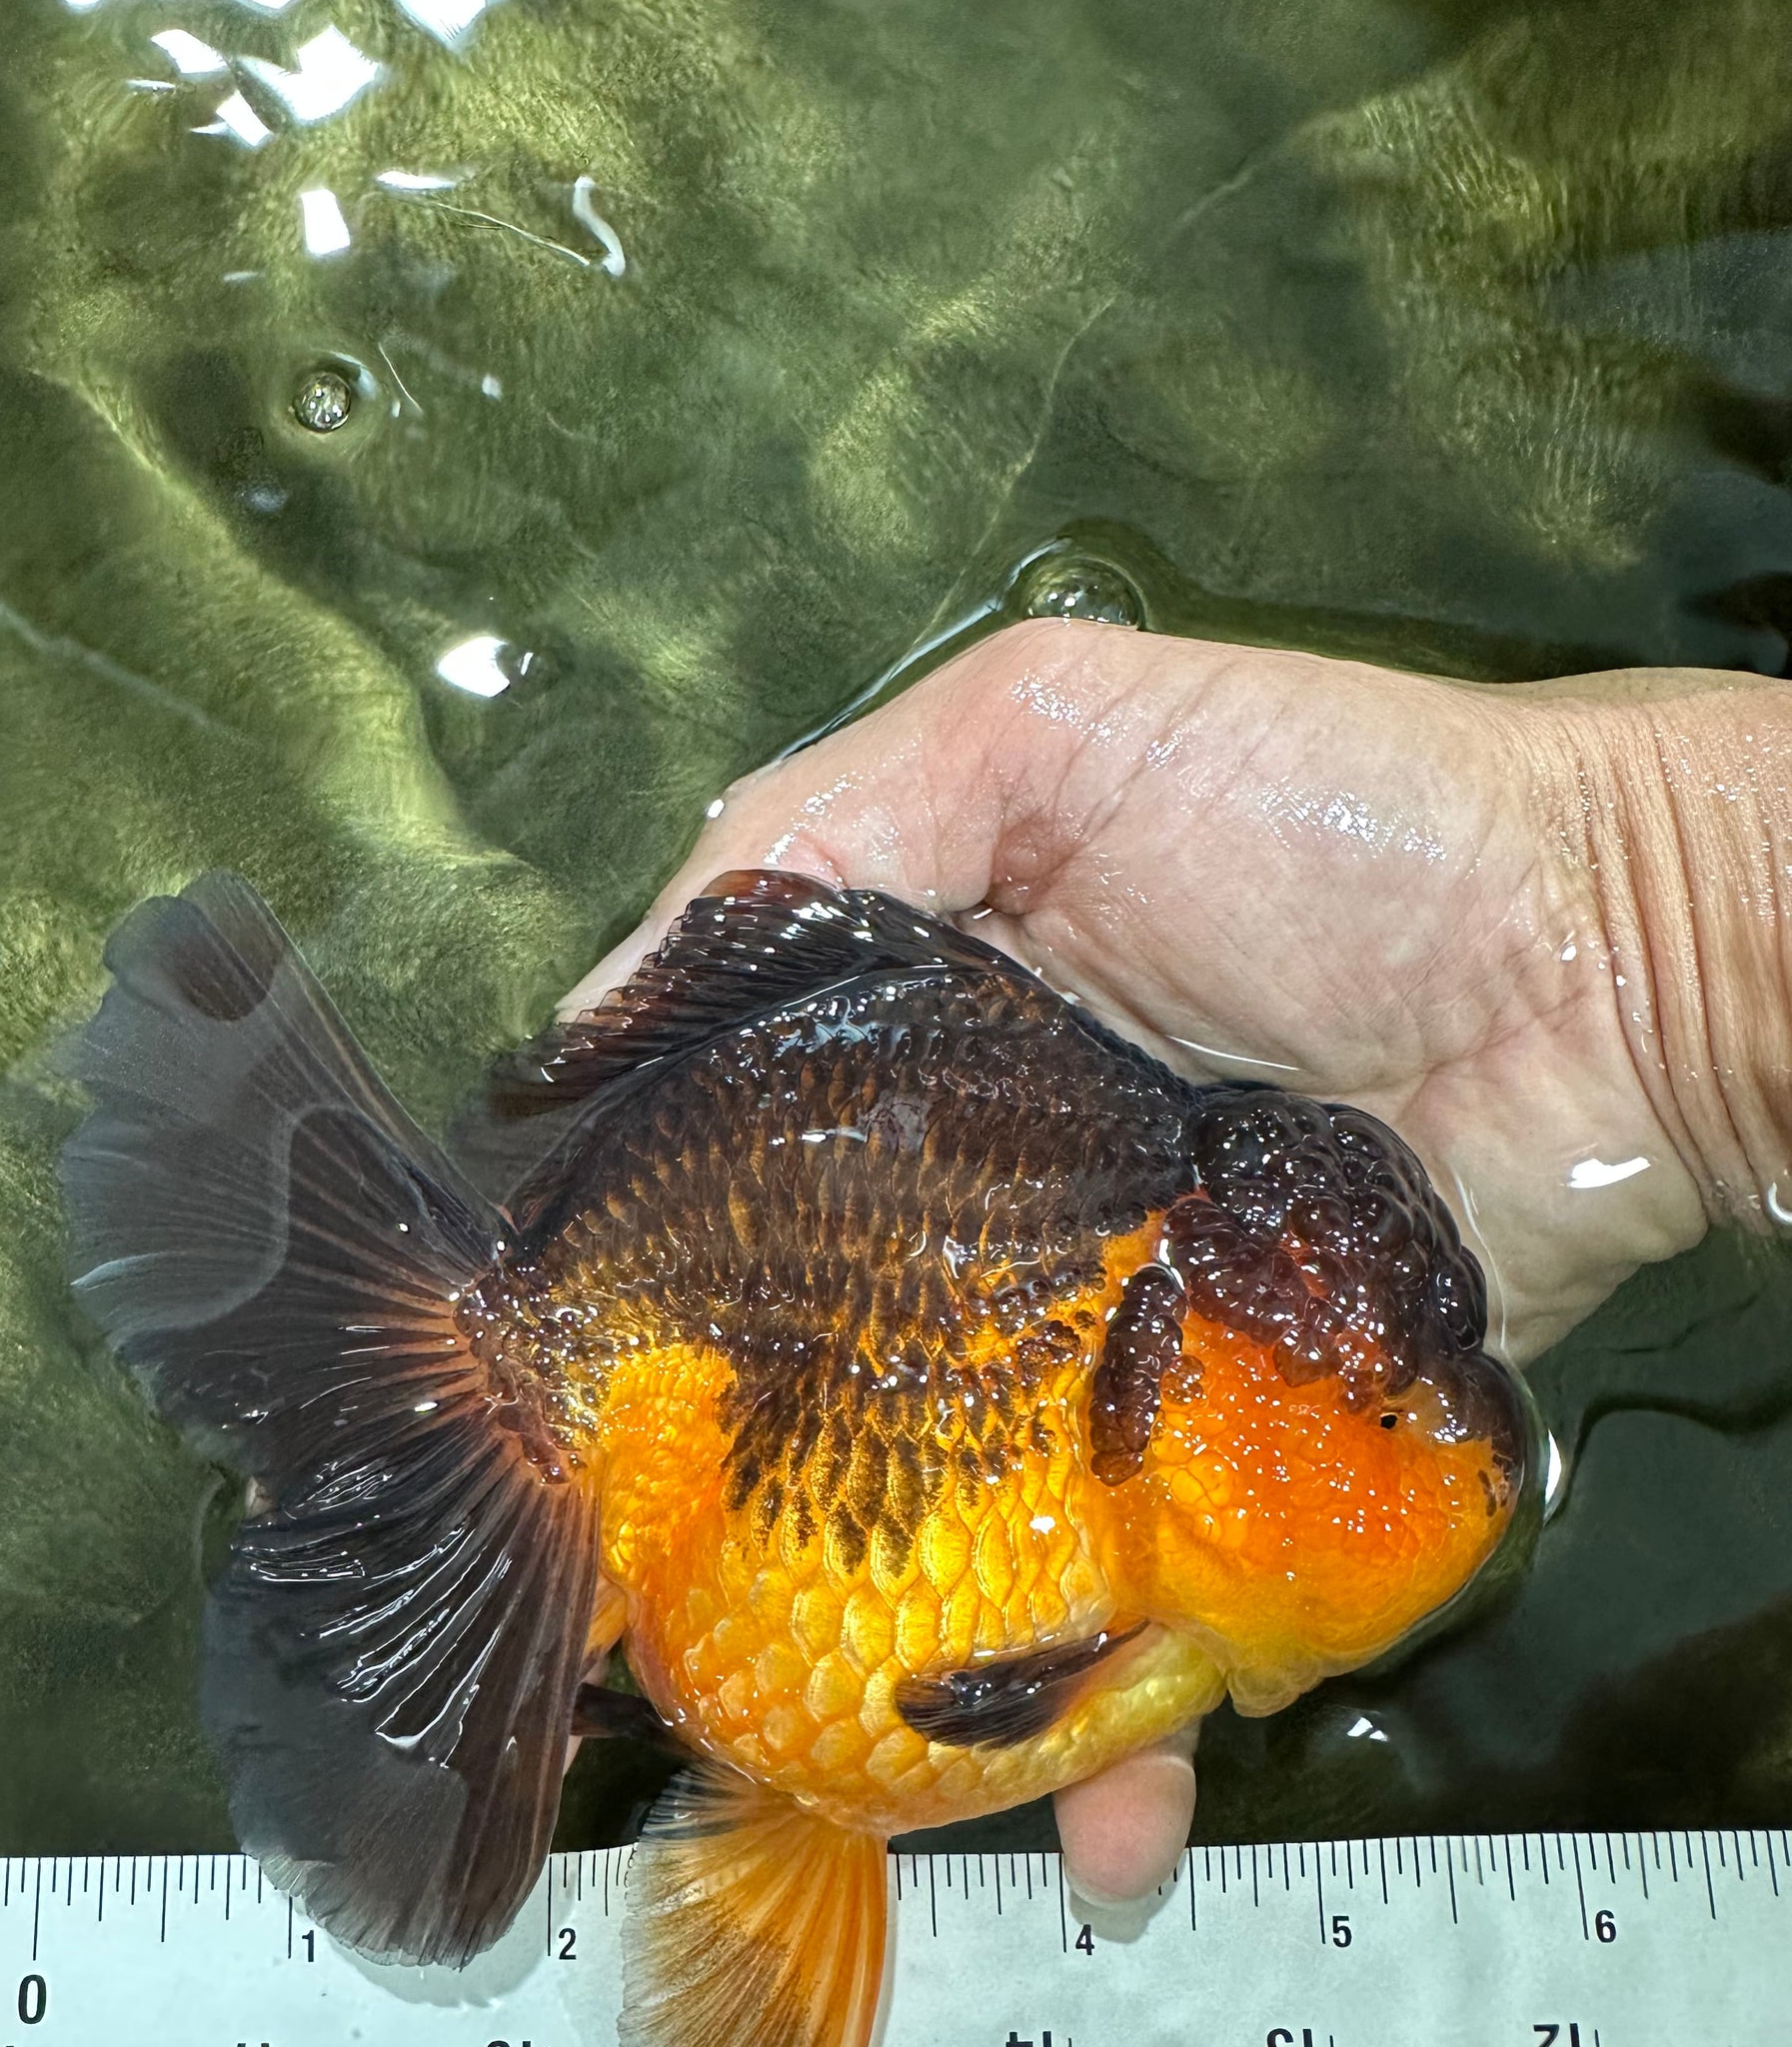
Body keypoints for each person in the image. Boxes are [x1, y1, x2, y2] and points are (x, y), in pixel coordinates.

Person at [572, 618, 1792, 1907]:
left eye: (1390, 1401)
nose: (1435, 1424)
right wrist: (1648, 913)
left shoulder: (1159, 1504)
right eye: (1379, 1411)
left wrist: (1648, 911)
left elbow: (972, 1700)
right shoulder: (1119, 1381)